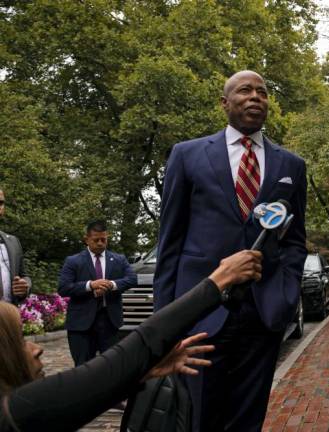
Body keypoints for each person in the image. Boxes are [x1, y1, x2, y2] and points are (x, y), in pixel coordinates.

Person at [153, 70, 307, 431]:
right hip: (201, 312)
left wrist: (286, 293)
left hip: (262, 312)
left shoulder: (291, 165)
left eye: (262, 92)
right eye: (245, 90)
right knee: (198, 417)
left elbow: (295, 240)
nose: (255, 97)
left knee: (247, 419)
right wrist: (165, 323)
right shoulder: (187, 155)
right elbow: (170, 242)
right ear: (225, 103)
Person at [0, 249, 263, 432]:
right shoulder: (14, 413)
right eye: (19, 342)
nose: (37, 348)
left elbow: (88, 395)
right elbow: (122, 359)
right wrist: (219, 280)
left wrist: (141, 372)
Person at [58, 220, 137, 366]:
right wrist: (90, 285)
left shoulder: (119, 259)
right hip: (81, 325)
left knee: (112, 367)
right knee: (82, 369)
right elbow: (63, 288)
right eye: (96, 240)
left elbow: (132, 279)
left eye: (104, 239)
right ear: (86, 239)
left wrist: (111, 285)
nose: (100, 243)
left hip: (110, 322)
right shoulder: (73, 261)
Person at [0, 188, 31, 304]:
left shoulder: (13, 241)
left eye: (1, 203)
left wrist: (25, 286)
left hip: (9, 316)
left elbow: (24, 276)